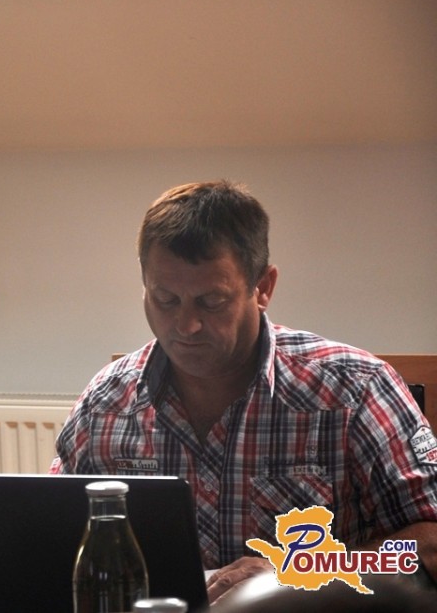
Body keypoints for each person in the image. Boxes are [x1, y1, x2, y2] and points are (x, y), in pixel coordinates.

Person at [50, 181, 437, 604]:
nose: (186, 326)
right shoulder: (106, 403)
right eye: (165, 299)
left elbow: (431, 542)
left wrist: (302, 573)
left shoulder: (353, 390)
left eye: (211, 301)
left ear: (263, 287)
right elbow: (49, 535)